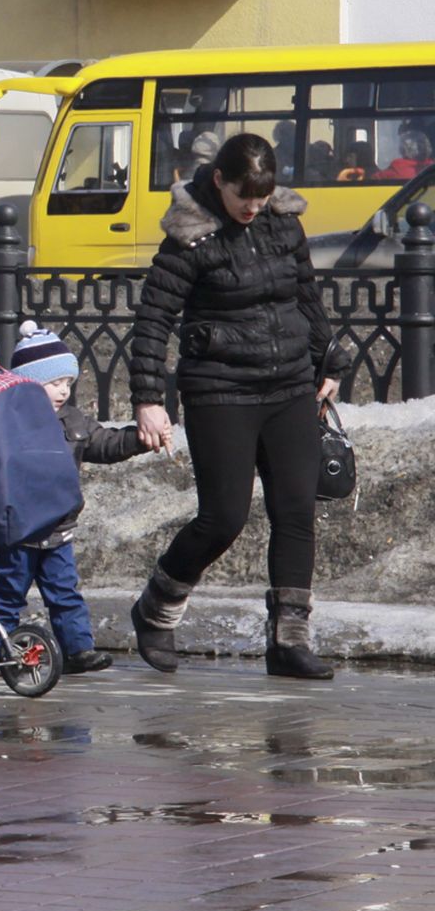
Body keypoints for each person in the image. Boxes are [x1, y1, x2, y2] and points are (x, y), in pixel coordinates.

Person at [128, 132, 351, 681]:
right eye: (243, 197)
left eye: (262, 196)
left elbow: (305, 294)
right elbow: (154, 319)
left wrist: (328, 362)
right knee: (223, 517)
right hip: (219, 389)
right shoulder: (191, 237)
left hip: (290, 388)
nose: (253, 208)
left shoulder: (281, 222)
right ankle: (156, 608)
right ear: (220, 182)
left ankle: (289, 641)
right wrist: (148, 400)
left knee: (296, 512)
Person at [0, 322, 153, 676]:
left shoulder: (72, 421)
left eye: (66, 384)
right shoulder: (10, 422)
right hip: (21, 529)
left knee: (65, 592)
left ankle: (77, 649)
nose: (62, 391)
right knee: (9, 591)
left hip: (59, 527)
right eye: (53, 383)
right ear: (28, 383)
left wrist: (139, 439)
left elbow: (104, 443)